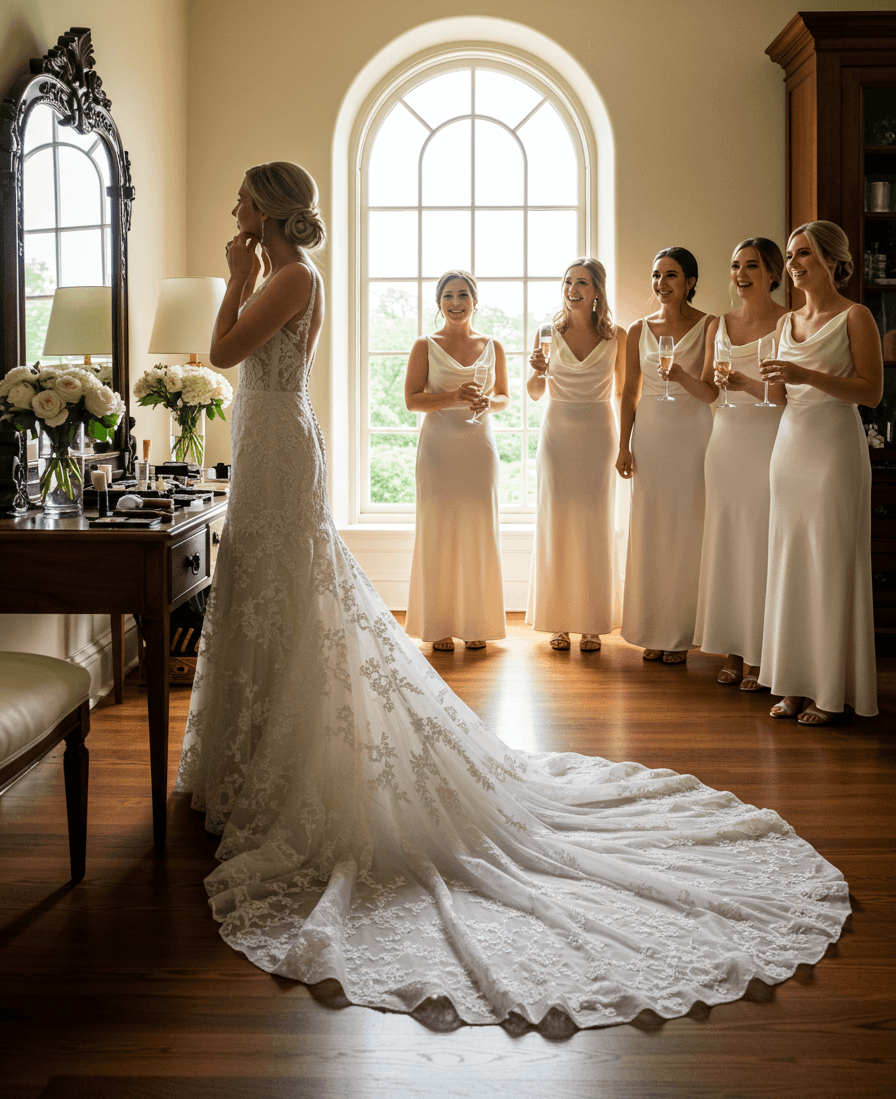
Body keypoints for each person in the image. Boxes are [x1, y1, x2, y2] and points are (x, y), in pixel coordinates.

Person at [176, 167, 849, 1031]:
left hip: (277, 440)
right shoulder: (287, 278)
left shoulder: (293, 276)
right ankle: (251, 751)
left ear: (264, 211)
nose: (232, 211)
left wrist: (235, 277)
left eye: (240, 200)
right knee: (265, 591)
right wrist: (241, 279)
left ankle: (289, 759)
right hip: (271, 438)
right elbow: (255, 365)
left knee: (288, 586)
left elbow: (227, 354)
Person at [758, 221, 882, 724]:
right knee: (790, 563)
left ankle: (829, 690)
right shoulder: (785, 324)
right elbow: (781, 398)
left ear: (832, 259)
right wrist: (766, 385)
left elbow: (870, 392)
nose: (793, 263)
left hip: (834, 450)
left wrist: (805, 373)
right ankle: (793, 683)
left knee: (829, 563)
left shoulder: (856, 316)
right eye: (790, 255)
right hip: (790, 447)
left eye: (804, 253)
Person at [688, 239, 787, 689]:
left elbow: (785, 396)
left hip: (768, 440)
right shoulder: (719, 325)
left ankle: (764, 652)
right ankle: (732, 646)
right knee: (729, 544)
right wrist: (683, 379)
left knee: (762, 544)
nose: (741, 274)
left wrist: (744, 381)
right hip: (724, 443)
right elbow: (710, 391)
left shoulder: (789, 322)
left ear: (772, 272)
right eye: (734, 266)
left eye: (752, 265)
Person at [617, 249, 714, 663]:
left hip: (693, 434)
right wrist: (624, 444)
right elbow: (629, 392)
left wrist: (682, 376)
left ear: (690, 281)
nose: (661, 284)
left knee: (688, 532)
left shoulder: (710, 325)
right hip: (652, 435)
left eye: (671, 275)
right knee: (651, 528)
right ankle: (651, 630)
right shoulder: (639, 329)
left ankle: (680, 635)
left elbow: (711, 391)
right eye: (656, 275)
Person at [403, 271, 508, 650]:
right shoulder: (425, 344)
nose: (456, 302)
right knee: (439, 531)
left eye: (463, 295)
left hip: (478, 448)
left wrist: (487, 403)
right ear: (439, 304)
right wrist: (453, 397)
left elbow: (504, 398)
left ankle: (476, 622)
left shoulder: (493, 345)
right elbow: (413, 400)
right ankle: (439, 626)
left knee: (478, 530)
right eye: (448, 296)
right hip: (438, 450)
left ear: (475, 301)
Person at [525, 258, 625, 651]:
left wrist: (626, 442)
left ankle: (592, 623)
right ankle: (558, 620)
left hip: (599, 434)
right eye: (568, 281)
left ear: (597, 290)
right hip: (558, 435)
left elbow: (621, 394)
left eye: (581, 282)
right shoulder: (547, 332)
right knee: (558, 521)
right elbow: (534, 393)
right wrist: (537, 371)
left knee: (594, 523)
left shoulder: (617, 337)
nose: (573, 289)